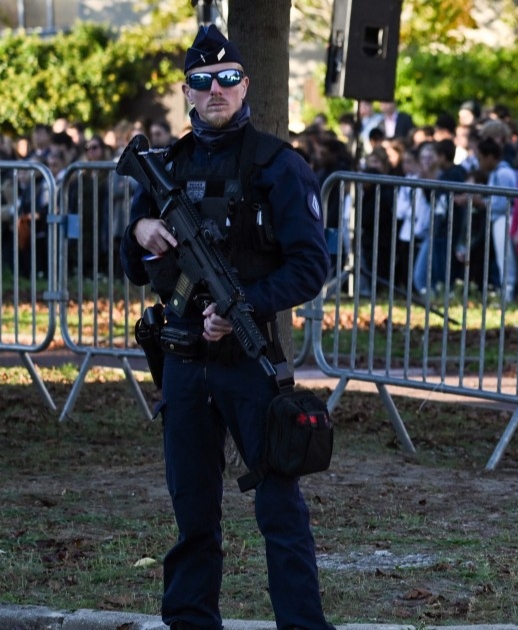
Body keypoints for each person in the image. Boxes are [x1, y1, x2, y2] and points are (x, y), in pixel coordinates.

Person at [117, 26, 335, 630]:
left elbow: (311, 266)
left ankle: (302, 625)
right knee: (193, 512)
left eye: (229, 78)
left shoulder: (278, 166)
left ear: (246, 86)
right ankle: (190, 621)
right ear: (187, 93)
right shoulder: (165, 167)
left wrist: (247, 305)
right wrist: (139, 234)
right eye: (203, 81)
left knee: (279, 509)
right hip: (183, 364)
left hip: (249, 361)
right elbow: (132, 264)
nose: (217, 90)